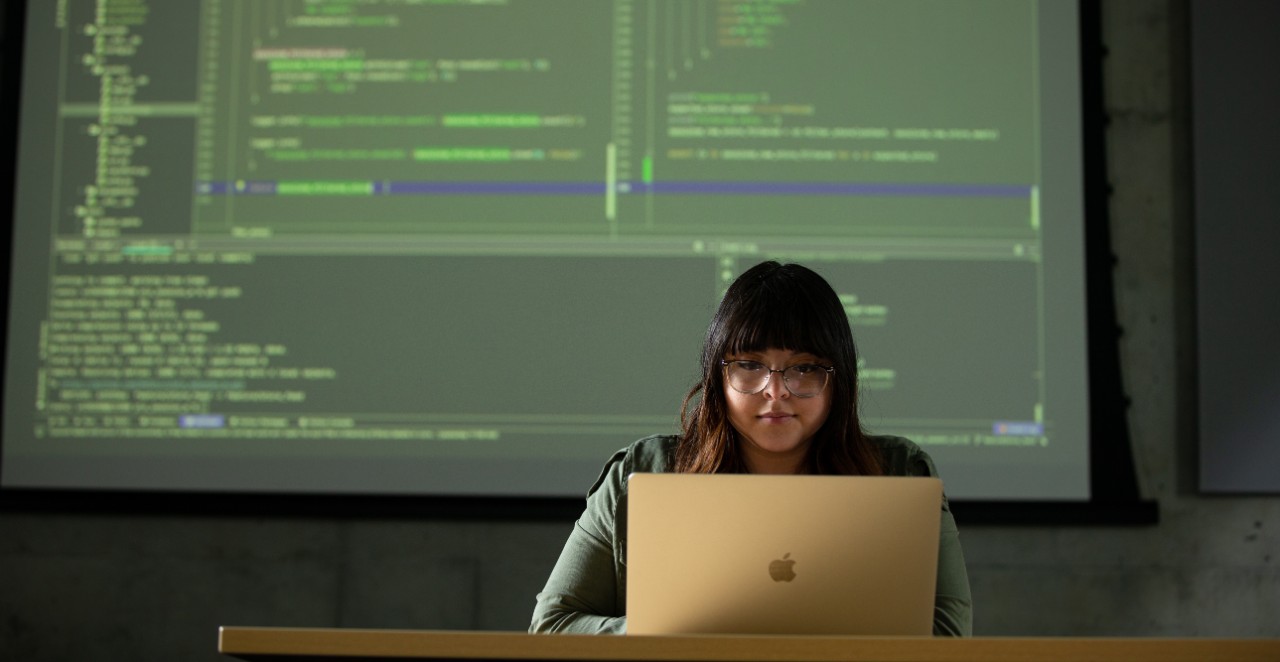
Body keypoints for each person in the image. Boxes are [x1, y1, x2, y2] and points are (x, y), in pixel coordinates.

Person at [529, 260, 973, 636]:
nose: (775, 391)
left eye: (803, 368)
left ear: (839, 379)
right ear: (718, 377)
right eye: (749, 365)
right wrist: (666, 631)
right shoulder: (643, 471)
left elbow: (949, 633)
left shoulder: (900, 471)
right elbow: (553, 623)